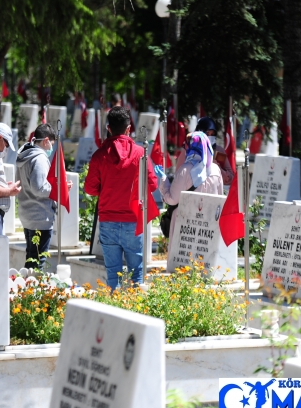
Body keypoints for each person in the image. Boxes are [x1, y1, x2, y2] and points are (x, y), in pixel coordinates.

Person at [85, 106, 157, 290]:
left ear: (108, 128)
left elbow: (90, 189)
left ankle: (113, 311)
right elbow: (152, 184)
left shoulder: (99, 155)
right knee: (136, 274)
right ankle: (136, 313)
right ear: (128, 128)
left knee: (113, 276)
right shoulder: (140, 154)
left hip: (108, 220)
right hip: (133, 220)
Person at [157, 131, 223, 255]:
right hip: (207, 225)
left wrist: (163, 180)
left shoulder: (185, 169)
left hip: (185, 225)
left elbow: (172, 199)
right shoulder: (216, 170)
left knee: (182, 263)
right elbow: (219, 200)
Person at [16, 123, 71, 268]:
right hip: (40, 215)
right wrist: (59, 189)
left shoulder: (24, 154)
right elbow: (39, 188)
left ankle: (26, 288)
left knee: (31, 259)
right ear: (46, 140)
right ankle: (32, 290)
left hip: (27, 213)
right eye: (51, 145)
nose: (51, 149)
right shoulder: (39, 158)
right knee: (38, 263)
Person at [193, 117, 233, 185]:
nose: (209, 137)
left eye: (212, 134)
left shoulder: (218, 152)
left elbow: (231, 178)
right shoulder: (191, 150)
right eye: (207, 133)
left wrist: (217, 168)